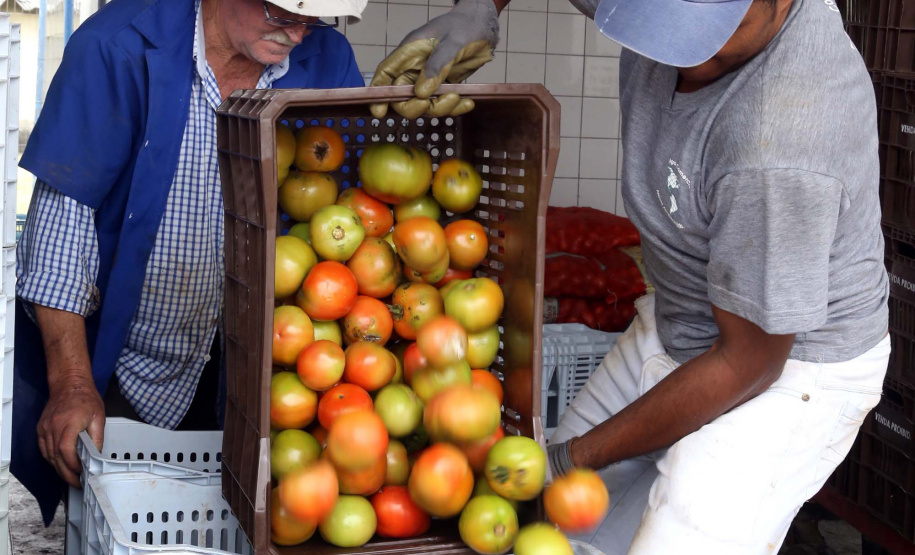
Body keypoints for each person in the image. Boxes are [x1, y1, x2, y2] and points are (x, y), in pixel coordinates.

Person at [375, 0, 890, 552]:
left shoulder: (780, 141)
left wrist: (573, 456)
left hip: (789, 369)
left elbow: (749, 362)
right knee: (551, 522)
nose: (683, 59)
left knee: (669, 529)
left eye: (707, 36)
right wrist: (479, 8)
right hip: (683, 318)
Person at [13, 0, 366, 526]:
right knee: (121, 520)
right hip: (125, 364)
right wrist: (72, 383)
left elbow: (356, 213)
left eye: (311, 20)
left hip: (261, 374)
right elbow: (62, 229)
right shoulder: (117, 46)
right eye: (280, 14)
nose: (296, 35)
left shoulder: (327, 61)